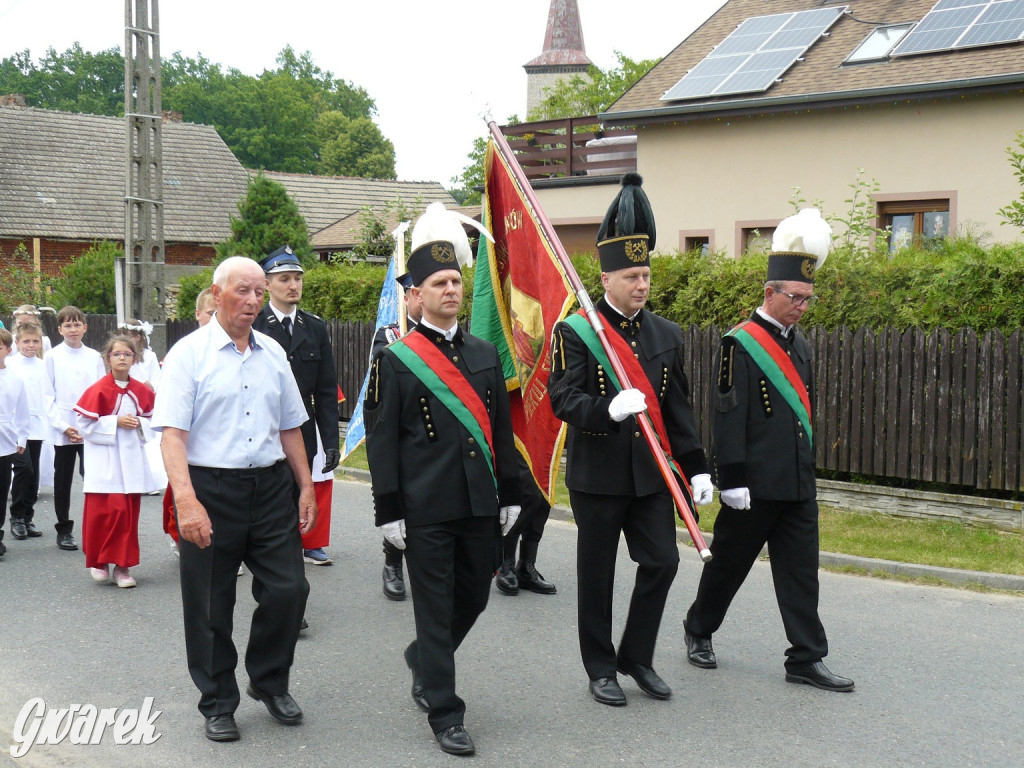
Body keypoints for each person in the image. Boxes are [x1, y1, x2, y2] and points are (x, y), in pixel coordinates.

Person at [548, 174, 713, 707]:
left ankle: (636, 657)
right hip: (597, 475)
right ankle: (600, 668)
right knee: (596, 576)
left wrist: (698, 467)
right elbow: (562, 399)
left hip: (650, 475)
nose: (642, 284)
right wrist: (607, 410)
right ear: (606, 278)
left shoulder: (667, 334)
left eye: (646, 274)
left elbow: (677, 411)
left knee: (663, 562)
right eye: (631, 276)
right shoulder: (577, 331)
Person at [365, 203, 521, 757]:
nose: (451, 290)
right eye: (440, 283)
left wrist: (511, 492)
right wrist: (389, 511)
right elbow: (383, 442)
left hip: (478, 502)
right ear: (417, 293)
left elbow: (500, 429)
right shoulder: (397, 360)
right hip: (426, 507)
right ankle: (445, 712)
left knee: (474, 597)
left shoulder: (483, 353)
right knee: (433, 609)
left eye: (456, 280)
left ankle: (423, 661)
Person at [683, 208, 854, 693]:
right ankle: (699, 628)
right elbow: (727, 414)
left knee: (801, 573)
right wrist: (731, 479)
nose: (801, 306)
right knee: (729, 565)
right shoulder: (738, 344)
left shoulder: (802, 346)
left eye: (807, 299)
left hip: (796, 483)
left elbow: (803, 415)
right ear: (769, 293)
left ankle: (805, 657)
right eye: (794, 297)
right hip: (753, 485)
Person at [153, 256, 317, 743]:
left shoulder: (273, 353)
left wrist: (306, 485)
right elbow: (172, 436)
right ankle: (218, 702)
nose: (252, 300)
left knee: (290, 589)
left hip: (270, 488)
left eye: (259, 292)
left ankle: (268, 680)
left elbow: (290, 426)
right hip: (210, 489)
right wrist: (186, 501)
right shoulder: (188, 355)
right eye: (242, 290)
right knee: (210, 602)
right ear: (216, 293)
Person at [253, 245, 340, 567]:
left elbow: (326, 391)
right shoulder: (255, 325)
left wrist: (331, 441)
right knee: (265, 496)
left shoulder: (314, 327)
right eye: (285, 279)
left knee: (298, 493)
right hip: (263, 425)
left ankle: (297, 553)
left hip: (302, 428)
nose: (293, 285)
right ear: (267, 284)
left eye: (298, 278)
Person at [74, 335, 159, 588]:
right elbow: (84, 425)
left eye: (127, 354)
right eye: (117, 354)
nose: (122, 358)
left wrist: (139, 422)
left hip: (131, 462)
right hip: (105, 462)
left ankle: (123, 566)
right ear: (107, 358)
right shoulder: (97, 390)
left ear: (135, 358)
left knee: (126, 514)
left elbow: (155, 422)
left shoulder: (142, 391)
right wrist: (115, 422)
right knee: (104, 513)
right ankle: (99, 561)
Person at [368, 271, 422, 600]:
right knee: (397, 497)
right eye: (414, 292)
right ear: (406, 297)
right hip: (401, 429)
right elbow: (381, 372)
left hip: (433, 432)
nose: (421, 297)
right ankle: (392, 564)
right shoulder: (390, 334)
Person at [161, 289, 217, 556]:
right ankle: (181, 535)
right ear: (197, 315)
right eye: (210, 314)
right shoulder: (185, 351)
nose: (215, 319)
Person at [45, 306, 104, 551]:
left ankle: (96, 527)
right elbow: (47, 395)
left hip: (89, 426)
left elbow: (100, 392)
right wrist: (63, 426)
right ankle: (64, 529)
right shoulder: (52, 357)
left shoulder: (94, 357)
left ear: (85, 328)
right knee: (63, 480)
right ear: (60, 329)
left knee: (93, 478)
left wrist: (92, 423)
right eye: (67, 325)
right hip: (64, 427)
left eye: (77, 324)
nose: (73, 329)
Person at [7, 322, 59, 541]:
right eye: (26, 341)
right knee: (24, 468)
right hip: (15, 425)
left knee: (34, 472)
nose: (31, 345)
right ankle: (17, 516)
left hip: (37, 424)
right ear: (17, 342)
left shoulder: (43, 365)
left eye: (35, 341)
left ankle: (28, 516)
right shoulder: (10, 364)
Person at [494, 454, 557, 596]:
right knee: (528, 493)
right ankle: (506, 563)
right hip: (517, 442)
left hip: (544, 440)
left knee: (543, 499)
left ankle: (526, 566)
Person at [0, 327, 31, 558]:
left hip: (5, 438)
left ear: (8, 351)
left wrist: (22, 437)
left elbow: (22, 411)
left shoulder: (15, 379)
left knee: (2, 489)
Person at [120, 318, 161, 391]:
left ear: (138, 337)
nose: (124, 341)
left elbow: (156, 380)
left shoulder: (150, 356)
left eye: (127, 338)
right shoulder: (119, 356)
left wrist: (151, 386)